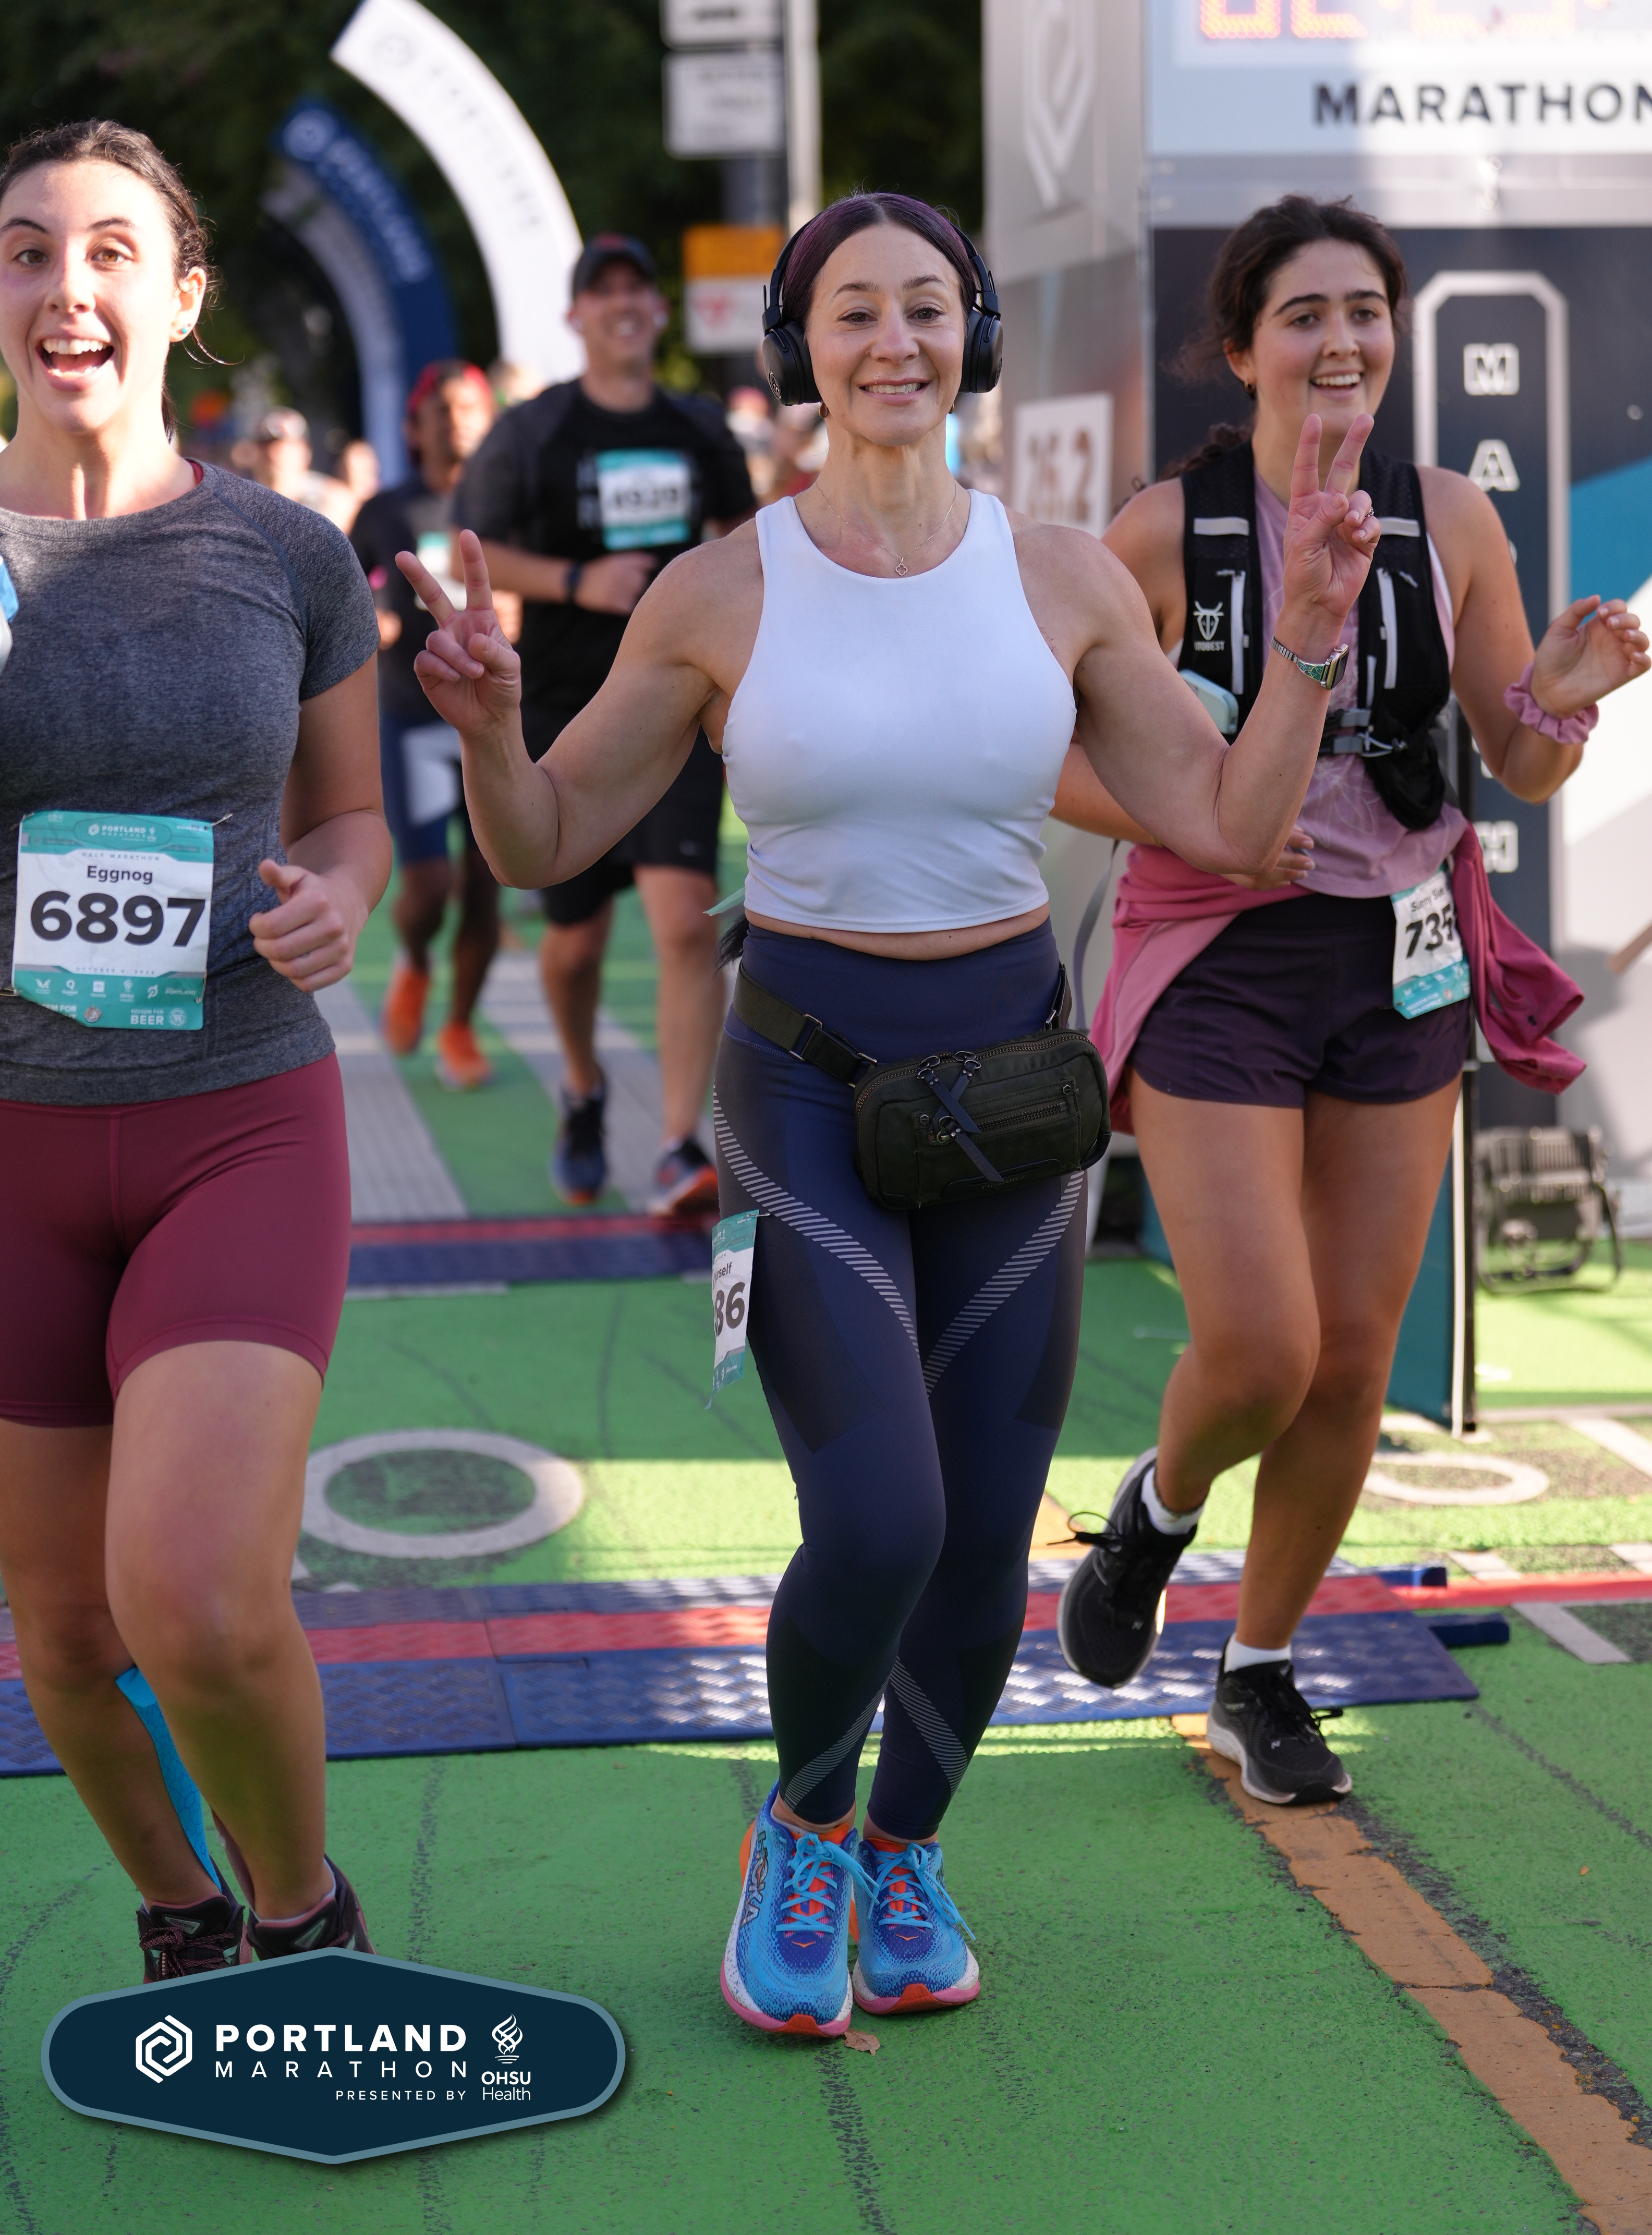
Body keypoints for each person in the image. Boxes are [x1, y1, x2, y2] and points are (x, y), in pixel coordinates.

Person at [400, 189, 1388, 2036]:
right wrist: (483, 729)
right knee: (877, 1519)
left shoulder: (1059, 577)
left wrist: (1310, 641)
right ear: (801, 348)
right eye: (851, 310)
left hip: (1012, 1096)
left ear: (972, 336)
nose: (892, 342)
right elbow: (542, 839)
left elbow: (1232, 824)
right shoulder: (720, 590)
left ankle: (905, 1850)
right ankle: (797, 1831)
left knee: (986, 1527)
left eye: (926, 306)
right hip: (799, 1089)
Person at [1052, 194, 1649, 1806]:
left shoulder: (1449, 519)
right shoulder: (1167, 535)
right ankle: (1157, 1513)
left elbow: (1512, 753)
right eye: (1304, 315)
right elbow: (1053, 757)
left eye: (1365, 312)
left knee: (1351, 1359)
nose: (1340, 342)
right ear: (1240, 348)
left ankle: (1260, 1670)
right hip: (1218, 957)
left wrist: (1564, 702)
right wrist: (1205, 823)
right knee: (1260, 1346)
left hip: (1402, 958)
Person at [0, 119, 389, 1976]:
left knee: (196, 1600)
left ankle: (305, 1919)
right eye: (25, 250)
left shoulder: (286, 553)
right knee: (68, 1635)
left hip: (236, 1123)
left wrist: (341, 896)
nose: (63, 287)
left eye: (106, 251)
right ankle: (184, 1911)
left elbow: (353, 820)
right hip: (14, 1147)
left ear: (180, 294)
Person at [451, 234, 756, 1217]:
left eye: (639, 290)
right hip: (565, 705)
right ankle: (583, 1091)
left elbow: (743, 546)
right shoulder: (535, 430)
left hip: (678, 706)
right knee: (576, 945)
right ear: (575, 317)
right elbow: (476, 546)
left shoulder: (698, 428)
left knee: (684, 921)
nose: (623, 305)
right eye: (603, 292)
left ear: (659, 313)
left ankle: (678, 1144)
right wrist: (579, 580)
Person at [353, 359, 501, 1088]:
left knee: (486, 884)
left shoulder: (506, 504)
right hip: (414, 717)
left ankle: (460, 1027)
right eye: (442, 409)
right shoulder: (386, 511)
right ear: (414, 427)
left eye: (470, 407)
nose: (457, 421)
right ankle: (413, 960)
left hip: (495, 722)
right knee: (431, 885)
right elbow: (343, 596)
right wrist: (371, 621)